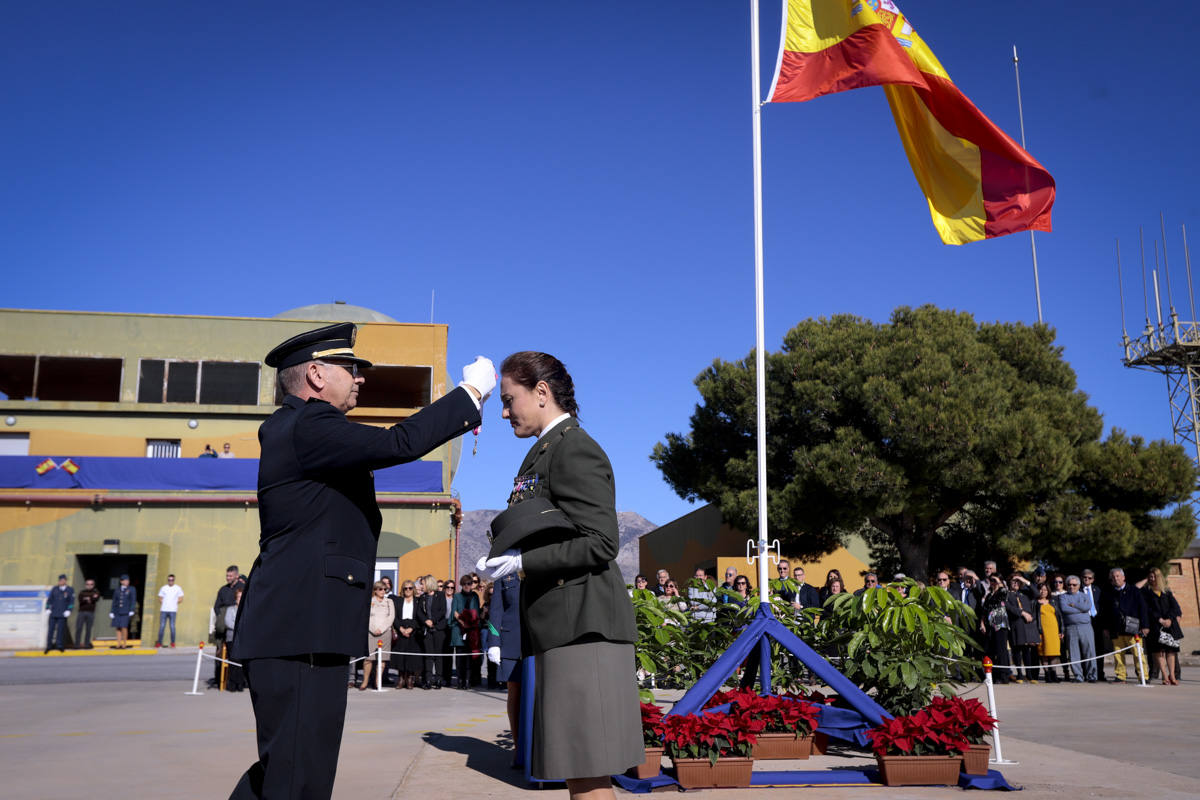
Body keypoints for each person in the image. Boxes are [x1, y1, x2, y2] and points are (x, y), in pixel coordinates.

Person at [228, 322, 492, 800]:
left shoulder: (297, 428)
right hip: (301, 629)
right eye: (349, 368)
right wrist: (469, 393)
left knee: (287, 769)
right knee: (298, 779)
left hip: (296, 626)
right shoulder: (310, 423)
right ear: (314, 374)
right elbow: (399, 443)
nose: (360, 378)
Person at [478, 351, 641, 798]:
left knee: (587, 774)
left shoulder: (574, 448)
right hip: (559, 627)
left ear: (543, 392)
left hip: (583, 627)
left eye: (510, 400)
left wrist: (523, 563)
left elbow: (601, 541)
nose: (506, 411)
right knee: (575, 772)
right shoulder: (545, 451)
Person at [492, 569, 523, 763]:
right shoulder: (505, 572)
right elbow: (497, 609)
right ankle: (518, 748)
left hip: (537, 639)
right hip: (511, 640)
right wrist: (494, 642)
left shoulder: (540, 563)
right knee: (515, 693)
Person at [1104, 567, 1149, 684]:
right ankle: (1120, 676)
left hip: (1133, 629)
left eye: (1118, 576)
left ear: (1123, 577)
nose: (1115, 578)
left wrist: (1145, 626)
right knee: (1118, 654)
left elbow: (1143, 609)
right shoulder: (1109, 593)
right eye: (1113, 577)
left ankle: (1143, 676)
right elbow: (1106, 612)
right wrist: (1106, 628)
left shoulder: (1134, 590)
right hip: (1116, 629)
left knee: (1137, 653)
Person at [1141, 567, 1183, 686]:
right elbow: (1147, 609)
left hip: (1170, 626)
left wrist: (1169, 619)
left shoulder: (1167, 592)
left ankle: (1173, 676)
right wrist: (1159, 619)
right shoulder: (1146, 592)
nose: (1152, 579)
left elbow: (1175, 608)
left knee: (1171, 652)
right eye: (1150, 576)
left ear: (1159, 577)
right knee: (1158, 652)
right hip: (1155, 626)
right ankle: (1165, 677)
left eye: (1154, 576)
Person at [210, 566, 245, 688]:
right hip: (223, 626)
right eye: (227, 576)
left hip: (238, 628)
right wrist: (223, 617)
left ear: (236, 575)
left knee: (239, 656)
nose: (228, 578)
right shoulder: (223, 590)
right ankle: (219, 679)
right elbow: (216, 607)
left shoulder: (242, 589)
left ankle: (240, 681)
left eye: (230, 576)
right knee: (219, 652)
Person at [1059, 575, 1097, 682]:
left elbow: (1087, 607)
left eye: (1074, 585)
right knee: (1073, 653)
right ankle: (1078, 676)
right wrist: (1080, 609)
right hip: (1071, 628)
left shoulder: (1085, 595)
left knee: (1089, 651)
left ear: (1079, 585)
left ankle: (1092, 676)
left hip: (1086, 627)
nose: (1071, 587)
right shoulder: (1063, 597)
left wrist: (1073, 605)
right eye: (1069, 584)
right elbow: (1064, 609)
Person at [358, 581, 395, 691]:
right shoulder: (369, 601)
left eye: (385, 589)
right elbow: (366, 617)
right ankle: (365, 681)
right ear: (375, 590)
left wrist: (381, 629)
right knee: (368, 659)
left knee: (382, 659)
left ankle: (377, 681)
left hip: (385, 632)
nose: (383, 591)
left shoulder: (389, 601)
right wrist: (374, 629)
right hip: (371, 632)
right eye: (380, 589)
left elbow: (391, 617)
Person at [1005, 575, 1040, 682]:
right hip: (1016, 624)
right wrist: (1022, 613)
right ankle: (1019, 674)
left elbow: (1037, 594)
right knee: (1016, 650)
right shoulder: (1006, 594)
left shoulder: (1025, 593)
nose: (1015, 583)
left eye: (1018, 582)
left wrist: (1025, 581)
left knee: (1026, 651)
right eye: (1013, 581)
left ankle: (1029, 675)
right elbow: (1008, 607)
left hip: (1027, 626)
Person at [417, 576, 449, 689]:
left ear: (429, 584)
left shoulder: (440, 595)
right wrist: (426, 621)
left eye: (423, 584)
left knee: (438, 655)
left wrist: (433, 620)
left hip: (438, 629)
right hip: (427, 630)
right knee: (428, 656)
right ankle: (428, 679)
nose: (422, 586)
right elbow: (419, 612)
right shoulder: (423, 597)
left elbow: (442, 611)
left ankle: (439, 679)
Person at [979, 573, 1011, 684]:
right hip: (989, 625)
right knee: (990, 650)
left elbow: (998, 599)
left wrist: (999, 583)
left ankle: (1004, 675)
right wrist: (982, 623)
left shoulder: (1003, 591)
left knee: (1001, 650)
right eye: (991, 580)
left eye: (994, 580)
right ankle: (993, 674)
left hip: (1000, 625)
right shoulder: (989, 595)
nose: (992, 582)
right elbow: (984, 610)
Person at [392, 580, 423, 689]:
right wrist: (400, 628)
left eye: (410, 588)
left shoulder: (418, 601)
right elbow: (394, 616)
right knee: (400, 654)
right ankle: (401, 678)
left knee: (411, 655)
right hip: (401, 627)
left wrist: (411, 628)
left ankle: (409, 678)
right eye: (406, 588)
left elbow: (419, 617)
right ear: (402, 590)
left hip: (413, 629)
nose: (408, 590)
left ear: (413, 589)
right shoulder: (399, 601)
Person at [1080, 569, 1106, 681]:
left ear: (1093, 579)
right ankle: (1086, 673)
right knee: (1084, 648)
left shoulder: (1097, 590)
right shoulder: (1078, 590)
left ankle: (1099, 672)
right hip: (1085, 621)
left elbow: (1102, 606)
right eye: (1085, 577)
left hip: (1097, 621)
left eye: (1089, 578)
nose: (1087, 579)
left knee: (1099, 648)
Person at [1034, 583, 1064, 682]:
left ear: (1048, 591)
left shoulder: (1053, 601)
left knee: (1053, 652)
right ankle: (1047, 674)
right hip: (1041, 631)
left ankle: (1054, 673)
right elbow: (1034, 618)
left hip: (1053, 630)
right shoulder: (1034, 603)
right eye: (1041, 590)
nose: (1043, 592)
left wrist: (1061, 630)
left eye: (1045, 590)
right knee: (1044, 653)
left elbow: (1059, 617)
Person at [222, 589, 247, 692]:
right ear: (236, 598)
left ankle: (240, 683)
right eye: (238, 597)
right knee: (233, 660)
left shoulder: (246, 609)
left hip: (243, 639)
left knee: (241, 660)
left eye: (242, 597)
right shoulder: (230, 609)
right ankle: (232, 683)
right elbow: (228, 622)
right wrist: (240, 628)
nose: (240, 599)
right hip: (231, 638)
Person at [44, 574, 74, 653]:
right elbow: (49, 600)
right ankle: (49, 646)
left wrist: (69, 610)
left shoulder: (70, 590)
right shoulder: (55, 589)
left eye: (63, 580)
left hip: (62, 613)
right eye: (60, 580)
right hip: (53, 613)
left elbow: (71, 601)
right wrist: (47, 608)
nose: (61, 582)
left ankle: (59, 645)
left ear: (65, 581)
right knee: (51, 630)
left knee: (60, 630)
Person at [155, 574, 184, 648]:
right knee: (162, 626)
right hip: (164, 610)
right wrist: (165, 603)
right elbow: (160, 597)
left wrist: (174, 603)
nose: (170, 581)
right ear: (167, 580)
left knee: (172, 626)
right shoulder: (163, 588)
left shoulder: (178, 588)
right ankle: (159, 643)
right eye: (169, 580)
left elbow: (181, 598)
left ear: (174, 580)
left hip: (173, 610)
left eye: (172, 580)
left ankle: (173, 643)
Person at [110, 574, 137, 649]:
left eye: (128, 580)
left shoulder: (131, 589)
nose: (127, 582)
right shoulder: (117, 590)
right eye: (125, 580)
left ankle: (124, 643)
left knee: (124, 627)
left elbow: (133, 600)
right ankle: (118, 643)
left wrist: (132, 610)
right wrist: (112, 611)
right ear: (121, 581)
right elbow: (114, 601)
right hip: (117, 611)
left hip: (126, 611)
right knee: (118, 627)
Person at [74, 578, 100, 649]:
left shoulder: (96, 591)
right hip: (81, 612)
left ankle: (86, 644)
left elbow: (96, 598)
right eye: (88, 584)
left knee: (88, 629)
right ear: (85, 585)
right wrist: (89, 598)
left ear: (93, 585)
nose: (89, 586)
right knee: (79, 628)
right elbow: (80, 600)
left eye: (91, 584)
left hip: (90, 612)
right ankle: (77, 644)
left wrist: (87, 598)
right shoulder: (82, 592)